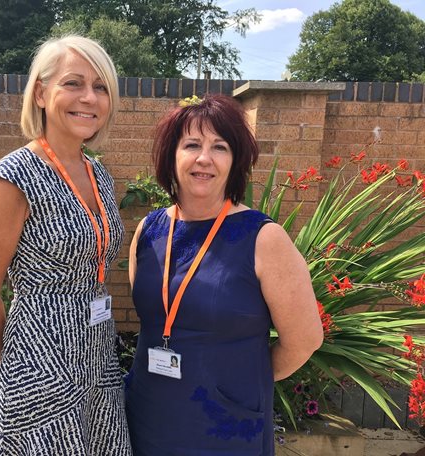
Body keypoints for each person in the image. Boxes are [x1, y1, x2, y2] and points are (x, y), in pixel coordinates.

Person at [0, 35, 132, 455]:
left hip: (98, 360)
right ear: (41, 92)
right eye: (73, 83)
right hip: (39, 369)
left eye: (101, 87)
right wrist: (24, 367)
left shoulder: (99, 175)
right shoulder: (13, 178)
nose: (88, 97)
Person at [125, 94, 324, 455]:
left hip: (226, 428)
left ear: (236, 162)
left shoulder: (264, 239)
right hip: (149, 414)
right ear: (171, 156)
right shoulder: (149, 230)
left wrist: (241, 381)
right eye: (192, 145)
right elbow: (153, 318)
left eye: (220, 146)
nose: (204, 158)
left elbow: (304, 340)